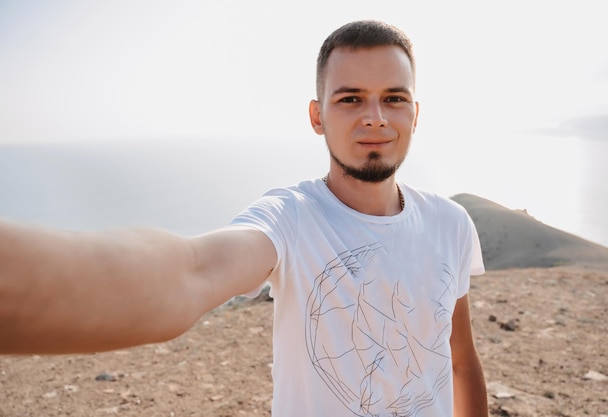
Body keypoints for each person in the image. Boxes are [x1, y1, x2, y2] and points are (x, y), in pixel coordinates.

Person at [0, 20, 488, 416]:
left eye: (394, 98)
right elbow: (193, 271)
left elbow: (460, 360)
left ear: (415, 113)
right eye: (351, 98)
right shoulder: (292, 219)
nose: (376, 117)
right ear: (317, 116)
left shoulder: (452, 223)